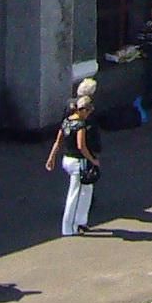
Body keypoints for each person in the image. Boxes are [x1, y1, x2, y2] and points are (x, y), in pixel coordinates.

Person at [47, 80, 101, 236]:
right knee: (76, 195)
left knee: (86, 191)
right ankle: (69, 228)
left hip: (67, 158)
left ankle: (81, 222)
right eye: (88, 111)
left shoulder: (66, 122)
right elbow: (81, 146)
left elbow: (58, 141)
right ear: (83, 110)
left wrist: (51, 158)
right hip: (78, 161)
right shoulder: (80, 125)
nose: (89, 114)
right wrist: (93, 160)